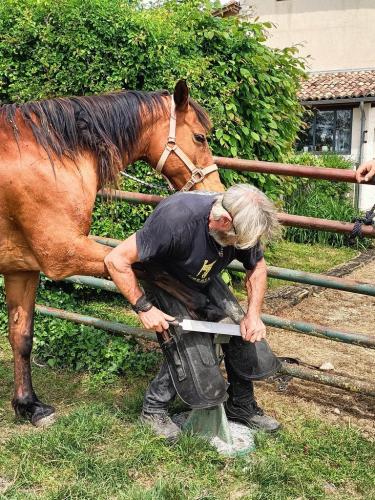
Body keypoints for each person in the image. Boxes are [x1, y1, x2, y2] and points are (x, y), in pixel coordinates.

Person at [105, 184, 281, 440]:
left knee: (238, 328)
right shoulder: (177, 218)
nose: (238, 246)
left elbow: (257, 267)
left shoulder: (243, 220)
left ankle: (241, 405)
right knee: (187, 339)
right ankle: (153, 410)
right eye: (236, 240)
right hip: (163, 279)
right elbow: (116, 259)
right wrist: (144, 308)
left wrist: (253, 315)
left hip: (204, 278)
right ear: (222, 220)